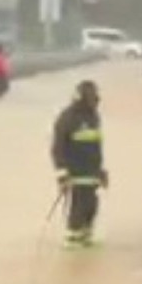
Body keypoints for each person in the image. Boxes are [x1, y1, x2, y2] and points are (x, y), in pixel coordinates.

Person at [51, 80, 108, 248]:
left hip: (92, 171)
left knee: (91, 204)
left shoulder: (94, 117)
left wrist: (101, 172)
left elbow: (97, 146)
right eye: (91, 96)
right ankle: (73, 236)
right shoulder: (67, 118)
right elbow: (58, 147)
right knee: (79, 204)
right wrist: (62, 173)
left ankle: (85, 234)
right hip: (74, 172)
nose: (95, 100)